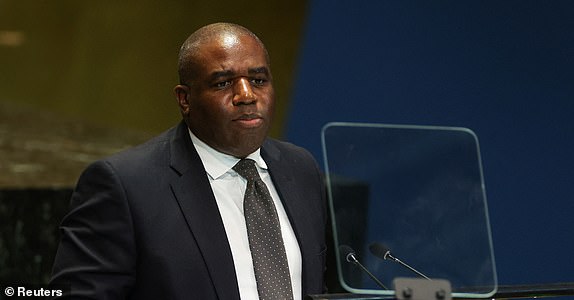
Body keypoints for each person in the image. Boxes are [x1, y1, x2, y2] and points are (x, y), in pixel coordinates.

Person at [50, 22, 327, 299]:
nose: (246, 96)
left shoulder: (300, 168)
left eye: (258, 80)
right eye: (223, 83)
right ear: (185, 99)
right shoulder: (126, 186)